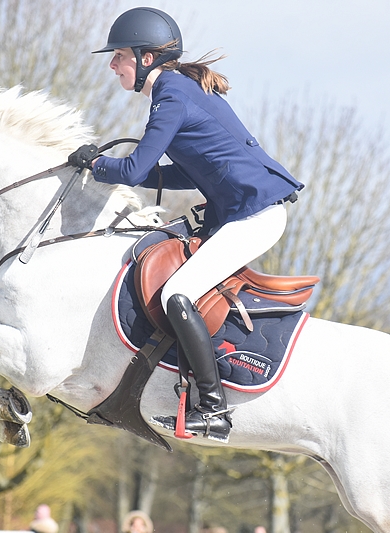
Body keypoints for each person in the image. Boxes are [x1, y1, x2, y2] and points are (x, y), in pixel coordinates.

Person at [68, 7, 303, 443]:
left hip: (254, 216)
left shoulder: (171, 94)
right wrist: (124, 169)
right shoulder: (180, 89)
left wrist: (96, 165)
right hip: (247, 211)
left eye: (119, 55)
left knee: (177, 293)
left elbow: (136, 169)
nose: (112, 65)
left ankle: (213, 410)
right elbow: (185, 171)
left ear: (146, 58)